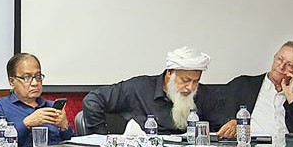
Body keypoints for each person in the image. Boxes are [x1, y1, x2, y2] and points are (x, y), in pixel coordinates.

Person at [81, 46, 211, 134]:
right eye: (185, 80)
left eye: (196, 81)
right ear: (169, 73)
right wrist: (102, 139)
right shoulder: (138, 88)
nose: (191, 87)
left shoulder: (201, 94)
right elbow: (92, 100)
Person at [212, 41, 293, 138]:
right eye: (279, 59)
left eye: (289, 64)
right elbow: (214, 111)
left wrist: (291, 98)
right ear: (274, 57)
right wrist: (232, 122)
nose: (281, 66)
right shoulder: (243, 85)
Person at [0, 52, 74, 147]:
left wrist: (64, 127)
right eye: (27, 77)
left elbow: (72, 144)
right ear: (12, 82)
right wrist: (26, 124)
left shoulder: (51, 107)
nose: (35, 83)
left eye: (38, 77)